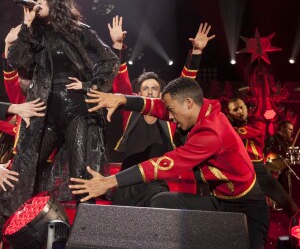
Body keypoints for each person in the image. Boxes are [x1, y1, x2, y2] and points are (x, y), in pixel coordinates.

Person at [70, 77, 269, 249]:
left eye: (172, 111)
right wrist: (122, 99)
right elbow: (158, 107)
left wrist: (109, 182)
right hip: (219, 200)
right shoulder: (201, 108)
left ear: (188, 103)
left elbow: (166, 163)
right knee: (162, 200)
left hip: (246, 207)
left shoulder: (212, 132)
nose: (170, 117)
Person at [1, 0, 119, 230]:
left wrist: (90, 86)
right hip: (46, 110)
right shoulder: (35, 34)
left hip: (76, 109)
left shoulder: (79, 31)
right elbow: (18, 62)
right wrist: (26, 27)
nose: (39, 1)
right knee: (28, 164)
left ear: (57, 3)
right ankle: (19, 226)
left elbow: (109, 59)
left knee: (80, 172)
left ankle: (87, 233)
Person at [108, 16, 214, 206]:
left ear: (161, 94)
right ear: (138, 93)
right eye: (145, 88)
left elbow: (186, 84)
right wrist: (117, 46)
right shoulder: (130, 111)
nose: (149, 91)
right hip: (126, 183)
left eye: (154, 88)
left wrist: (196, 52)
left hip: (155, 184)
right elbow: (120, 79)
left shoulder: (169, 114)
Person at [227, 98, 298, 217]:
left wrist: (225, 129)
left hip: (257, 168)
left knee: (286, 201)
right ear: (230, 113)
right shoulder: (227, 125)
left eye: (241, 107)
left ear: (246, 107)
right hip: (238, 170)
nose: (240, 111)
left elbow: (243, 132)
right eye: (235, 109)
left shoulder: (257, 121)